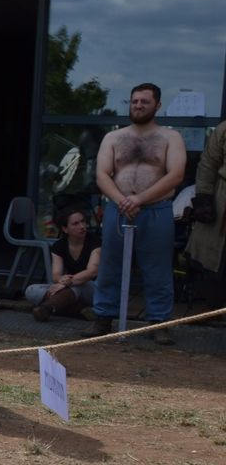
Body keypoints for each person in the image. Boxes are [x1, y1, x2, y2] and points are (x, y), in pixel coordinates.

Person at [83, 83, 186, 344]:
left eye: (144, 101)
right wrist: (122, 201)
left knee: (158, 268)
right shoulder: (114, 138)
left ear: (157, 105)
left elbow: (176, 175)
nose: (138, 105)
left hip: (156, 210)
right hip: (117, 209)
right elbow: (102, 174)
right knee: (110, 265)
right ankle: (103, 317)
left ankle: (159, 321)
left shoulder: (170, 137)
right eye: (135, 101)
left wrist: (139, 198)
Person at [26, 204, 101, 321]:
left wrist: (67, 283)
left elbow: (92, 272)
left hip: (93, 289)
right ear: (65, 229)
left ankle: (46, 308)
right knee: (32, 290)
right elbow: (56, 275)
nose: (82, 226)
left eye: (83, 221)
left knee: (79, 285)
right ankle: (80, 310)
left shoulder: (95, 242)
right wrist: (62, 280)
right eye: (75, 224)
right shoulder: (59, 246)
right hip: (69, 288)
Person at [183, 117, 225, 306]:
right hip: (222, 200)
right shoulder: (224, 130)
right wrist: (204, 198)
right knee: (216, 258)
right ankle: (215, 306)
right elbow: (208, 165)